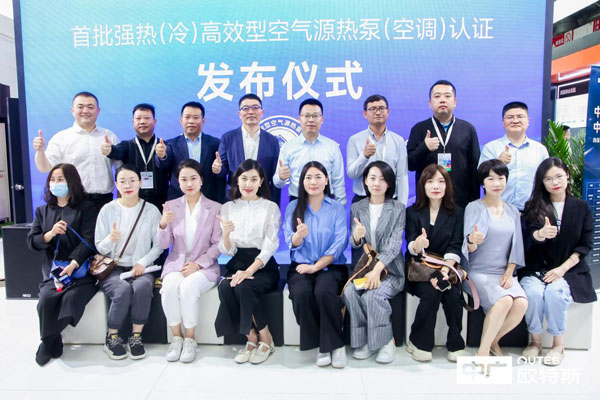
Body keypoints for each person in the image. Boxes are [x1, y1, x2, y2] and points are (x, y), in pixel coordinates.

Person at [520, 157, 597, 365]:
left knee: (555, 293)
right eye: (548, 179)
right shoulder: (533, 207)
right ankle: (535, 342)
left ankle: (557, 345)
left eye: (559, 176)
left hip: (568, 269)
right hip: (536, 268)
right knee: (534, 294)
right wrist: (540, 234)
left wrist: (562, 269)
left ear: (567, 176)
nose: (554, 182)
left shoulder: (581, 207)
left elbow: (585, 243)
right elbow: (526, 239)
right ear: (541, 182)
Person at [27, 163, 97, 366]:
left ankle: (47, 342)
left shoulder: (86, 208)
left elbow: (89, 240)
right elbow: (32, 242)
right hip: (54, 272)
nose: (55, 183)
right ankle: (51, 341)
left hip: (80, 271)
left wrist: (74, 263)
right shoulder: (42, 211)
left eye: (60, 179)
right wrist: (49, 234)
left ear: (71, 182)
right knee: (45, 300)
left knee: (71, 300)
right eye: (52, 180)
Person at [215, 159, 281, 364]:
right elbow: (228, 249)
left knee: (244, 286)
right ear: (237, 181)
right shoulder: (228, 207)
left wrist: (249, 271)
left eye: (254, 179)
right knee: (225, 286)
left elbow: (270, 246)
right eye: (244, 178)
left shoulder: (270, 207)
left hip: (263, 265)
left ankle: (266, 338)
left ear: (261, 181)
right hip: (237, 261)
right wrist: (226, 234)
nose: (248, 184)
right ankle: (250, 338)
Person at [283, 161, 349, 368]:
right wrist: (298, 236)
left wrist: (315, 267)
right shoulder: (294, 207)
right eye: (308, 177)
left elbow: (340, 243)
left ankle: (335, 345)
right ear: (301, 182)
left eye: (318, 177)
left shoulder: (336, 208)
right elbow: (290, 240)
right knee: (301, 293)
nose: (313, 182)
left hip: (330, 266)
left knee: (324, 291)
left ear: (326, 180)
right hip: (301, 265)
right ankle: (322, 343)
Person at [95, 164, 162, 360]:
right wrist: (111, 239)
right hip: (114, 268)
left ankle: (136, 337)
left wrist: (142, 263)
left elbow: (159, 245)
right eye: (122, 181)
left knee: (142, 287)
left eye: (132, 180)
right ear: (116, 184)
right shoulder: (107, 210)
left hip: (142, 267)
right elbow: (100, 247)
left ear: (140, 183)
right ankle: (112, 337)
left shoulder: (151, 210)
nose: (128, 185)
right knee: (122, 290)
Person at [158, 159, 222, 363]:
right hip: (176, 264)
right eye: (183, 179)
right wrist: (162, 225)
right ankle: (176, 337)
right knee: (169, 287)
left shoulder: (215, 208)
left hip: (204, 267)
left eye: (193, 178)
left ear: (201, 180)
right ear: (178, 182)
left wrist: (198, 264)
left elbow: (217, 244)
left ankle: (190, 339)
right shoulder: (171, 206)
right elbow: (164, 244)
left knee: (188, 287)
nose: (189, 183)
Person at [462, 159, 528, 357]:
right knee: (505, 300)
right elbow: (468, 246)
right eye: (490, 179)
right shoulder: (474, 207)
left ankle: (493, 341)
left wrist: (509, 272)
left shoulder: (513, 211)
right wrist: (472, 240)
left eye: (500, 178)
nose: (496, 183)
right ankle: (483, 352)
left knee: (521, 303)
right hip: (478, 272)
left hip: (504, 272)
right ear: (483, 183)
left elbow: (517, 246)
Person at [404, 164, 469, 362]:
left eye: (441, 181)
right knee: (431, 294)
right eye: (430, 181)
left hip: (445, 267)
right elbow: (410, 245)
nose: (436, 186)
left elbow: (455, 245)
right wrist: (418, 244)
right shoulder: (412, 212)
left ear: (447, 185)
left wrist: (444, 272)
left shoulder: (457, 212)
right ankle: (420, 342)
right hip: (420, 270)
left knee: (453, 297)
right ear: (422, 185)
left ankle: (455, 344)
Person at [343, 161, 404, 364]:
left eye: (382, 179)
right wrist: (357, 236)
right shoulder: (357, 207)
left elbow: (394, 246)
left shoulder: (398, 208)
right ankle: (364, 341)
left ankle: (386, 341)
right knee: (350, 292)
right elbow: (354, 244)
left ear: (389, 183)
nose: (377, 183)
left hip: (391, 271)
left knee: (373, 295)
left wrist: (377, 271)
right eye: (372, 178)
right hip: (365, 269)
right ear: (365, 181)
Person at [32, 91, 120, 214]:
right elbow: (44, 167)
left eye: (90, 107)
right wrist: (40, 151)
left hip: (103, 201)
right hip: (73, 202)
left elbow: (121, 170)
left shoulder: (109, 136)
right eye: (80, 107)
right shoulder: (61, 138)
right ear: (72, 110)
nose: (85, 111)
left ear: (98, 111)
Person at [406, 80, 480, 208]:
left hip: (460, 202)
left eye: (447, 96)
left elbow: (474, 168)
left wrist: (474, 202)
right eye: (437, 96)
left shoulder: (468, 129)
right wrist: (424, 147)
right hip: (427, 203)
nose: (442, 100)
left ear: (455, 102)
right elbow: (410, 164)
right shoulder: (419, 129)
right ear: (430, 103)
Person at [273, 98, 346, 204]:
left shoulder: (332, 147)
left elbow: (338, 182)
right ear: (299, 119)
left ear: (322, 119)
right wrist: (281, 177)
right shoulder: (288, 147)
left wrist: (341, 207)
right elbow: (277, 183)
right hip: (298, 202)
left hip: (326, 202)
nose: (311, 120)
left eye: (315, 116)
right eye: (306, 116)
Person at [479, 101, 548, 210]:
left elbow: (546, 180)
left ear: (528, 121)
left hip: (532, 210)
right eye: (510, 117)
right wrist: (498, 163)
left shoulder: (540, 150)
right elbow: (481, 178)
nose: (515, 121)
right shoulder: (490, 148)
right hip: (499, 210)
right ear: (503, 122)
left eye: (520, 117)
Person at [212, 94, 280, 204]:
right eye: (245, 108)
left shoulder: (272, 141)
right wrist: (218, 169)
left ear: (262, 112)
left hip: (263, 199)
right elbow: (222, 171)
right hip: (234, 197)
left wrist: (275, 204)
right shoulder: (228, 138)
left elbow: (275, 176)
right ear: (239, 114)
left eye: (255, 108)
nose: (251, 112)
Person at [102, 103, 169, 210]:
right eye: (138, 118)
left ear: (154, 121)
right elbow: (116, 151)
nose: (142, 122)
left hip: (161, 202)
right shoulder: (127, 145)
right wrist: (109, 150)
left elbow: (168, 164)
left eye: (146, 118)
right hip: (133, 203)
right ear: (133, 122)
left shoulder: (164, 146)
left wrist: (163, 156)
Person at [155, 101, 225, 203]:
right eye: (187, 117)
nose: (191, 121)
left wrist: (219, 169)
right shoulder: (171, 144)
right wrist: (162, 156)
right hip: (179, 199)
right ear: (181, 120)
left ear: (203, 121)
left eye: (196, 118)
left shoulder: (215, 143)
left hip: (208, 199)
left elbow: (223, 171)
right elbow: (163, 165)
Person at [346, 94, 408, 205]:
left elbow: (402, 176)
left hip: (390, 200)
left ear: (388, 112)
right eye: (373, 109)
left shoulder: (398, 140)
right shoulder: (355, 140)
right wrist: (364, 156)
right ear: (365, 114)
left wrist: (402, 205)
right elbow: (352, 174)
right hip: (363, 200)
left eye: (381, 108)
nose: (378, 112)